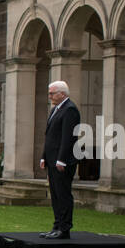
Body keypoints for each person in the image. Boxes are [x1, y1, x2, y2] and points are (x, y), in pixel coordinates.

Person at [39, 80, 79, 239]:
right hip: (52, 159)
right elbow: (50, 136)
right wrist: (44, 156)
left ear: (62, 94)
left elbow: (68, 137)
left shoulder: (70, 110)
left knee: (63, 194)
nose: (49, 96)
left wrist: (61, 160)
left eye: (52, 93)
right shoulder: (56, 109)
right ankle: (56, 226)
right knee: (55, 194)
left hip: (62, 161)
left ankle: (64, 228)